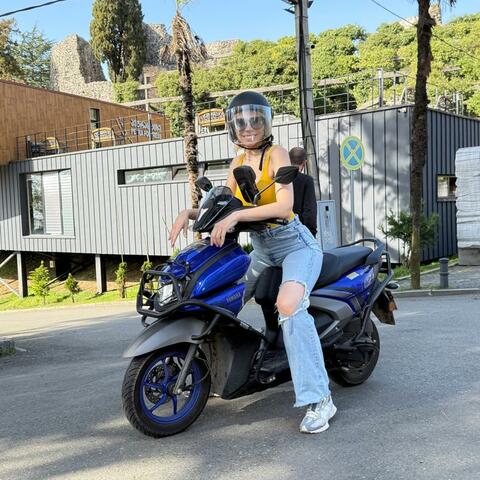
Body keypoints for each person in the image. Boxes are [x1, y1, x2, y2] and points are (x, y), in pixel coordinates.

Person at [169, 91, 336, 434]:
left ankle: (320, 398)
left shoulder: (277, 155)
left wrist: (236, 217)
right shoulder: (238, 163)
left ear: (265, 123)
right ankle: (206, 369)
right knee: (215, 296)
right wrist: (190, 212)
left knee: (289, 306)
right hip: (261, 249)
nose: (248, 127)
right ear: (233, 126)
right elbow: (225, 205)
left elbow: (284, 207)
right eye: (241, 122)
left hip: (296, 245)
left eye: (255, 120)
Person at [289, 147, 318, 237]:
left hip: (281, 232)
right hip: (300, 233)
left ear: (288, 161)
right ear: (304, 163)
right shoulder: (306, 181)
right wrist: (311, 234)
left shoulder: (278, 180)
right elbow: (309, 211)